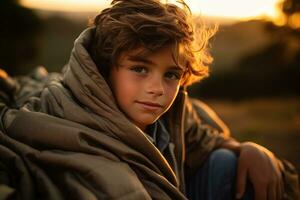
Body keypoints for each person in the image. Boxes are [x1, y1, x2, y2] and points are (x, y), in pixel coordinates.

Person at [0, 0, 299, 199]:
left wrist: (247, 148)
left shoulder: (173, 116)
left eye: (170, 74)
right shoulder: (64, 117)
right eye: (139, 69)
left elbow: (203, 140)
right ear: (104, 69)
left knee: (226, 164)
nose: (157, 88)